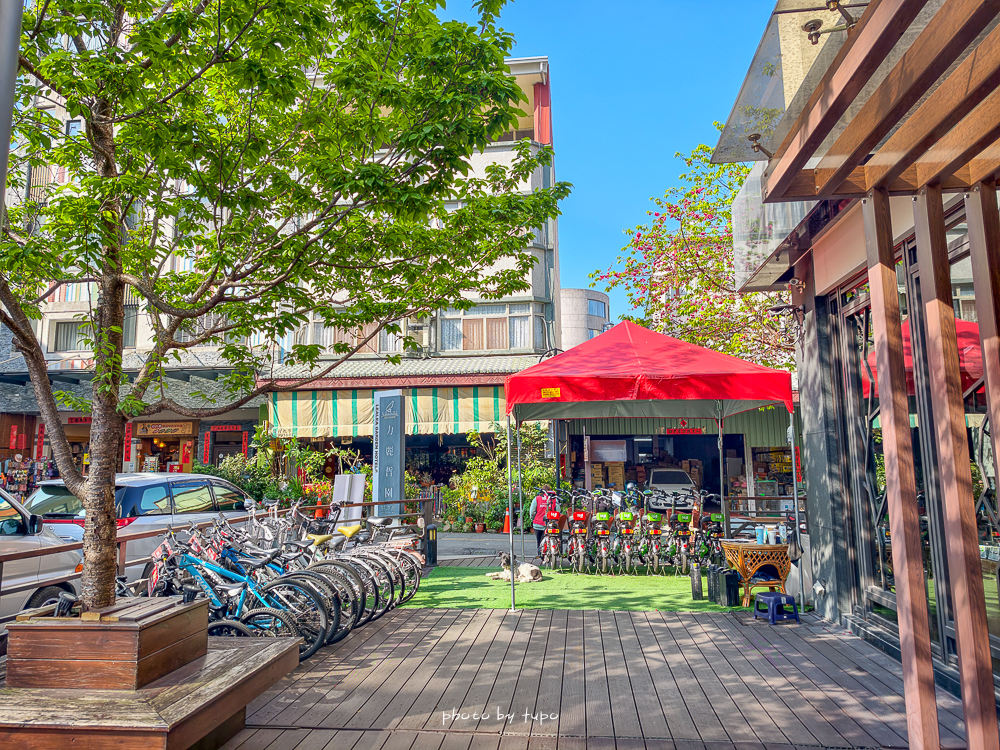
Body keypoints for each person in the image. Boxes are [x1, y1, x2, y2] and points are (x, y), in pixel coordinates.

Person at [528, 485, 553, 558]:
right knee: (548, 540)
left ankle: (540, 554)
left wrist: (532, 519)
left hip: (538, 524)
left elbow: (532, 511)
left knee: (539, 541)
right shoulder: (552, 499)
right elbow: (557, 509)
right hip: (549, 524)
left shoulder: (537, 499)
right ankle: (549, 554)